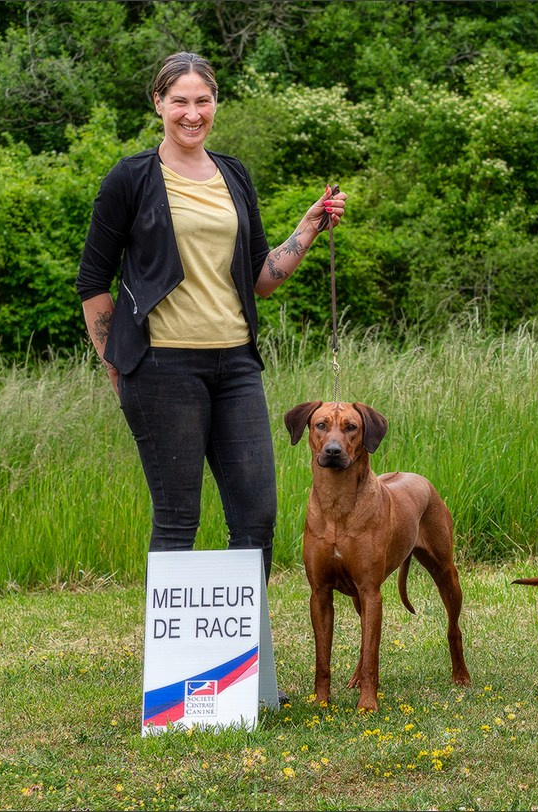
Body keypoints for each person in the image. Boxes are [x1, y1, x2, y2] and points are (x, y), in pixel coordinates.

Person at [76, 52, 346, 580]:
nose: (192, 113)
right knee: (178, 518)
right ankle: (172, 638)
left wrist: (309, 226)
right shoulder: (129, 178)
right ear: (158, 103)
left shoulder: (234, 173)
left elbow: (261, 278)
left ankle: (243, 638)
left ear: (216, 103)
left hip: (237, 365)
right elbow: (92, 283)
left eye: (203, 100)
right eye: (180, 101)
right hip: (161, 368)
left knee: (256, 517)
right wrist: (116, 365)